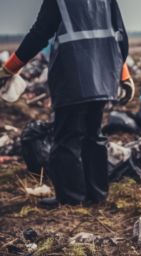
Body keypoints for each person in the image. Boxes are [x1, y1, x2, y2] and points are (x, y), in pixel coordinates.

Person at [0, 0, 133, 207]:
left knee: (66, 138)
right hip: (103, 74)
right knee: (94, 134)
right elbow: (118, 34)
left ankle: (71, 199)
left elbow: (39, 33)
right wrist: (124, 74)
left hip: (73, 74)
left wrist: (10, 68)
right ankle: (97, 195)